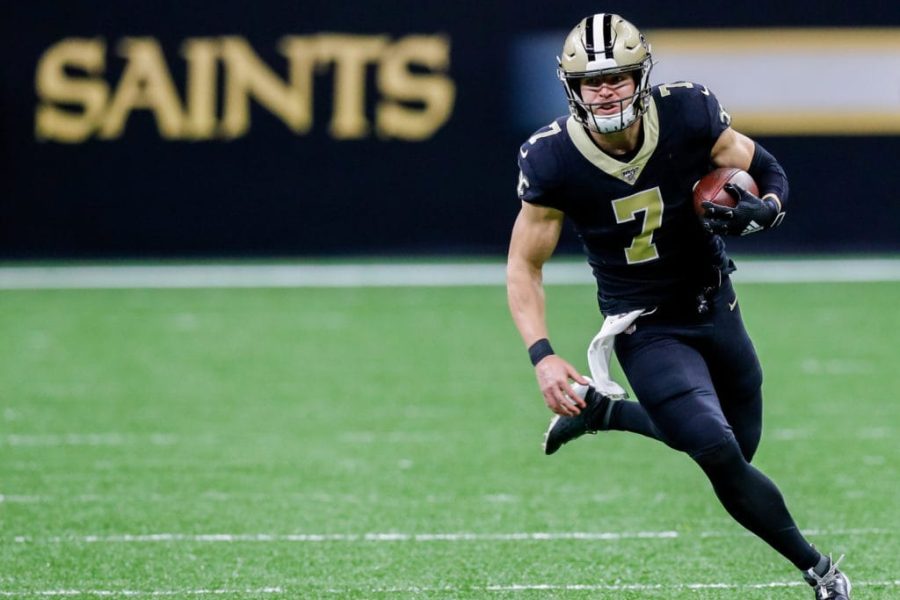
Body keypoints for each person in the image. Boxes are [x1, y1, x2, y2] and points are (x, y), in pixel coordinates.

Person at [506, 13, 851, 599]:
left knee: (737, 447)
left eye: (617, 76)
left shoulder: (688, 113)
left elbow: (763, 167)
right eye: (593, 81)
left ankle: (603, 411)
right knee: (716, 451)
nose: (607, 90)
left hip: (716, 301)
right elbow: (524, 265)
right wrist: (541, 354)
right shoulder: (553, 159)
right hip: (644, 326)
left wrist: (766, 207)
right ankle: (819, 570)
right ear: (573, 89)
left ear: (641, 76)